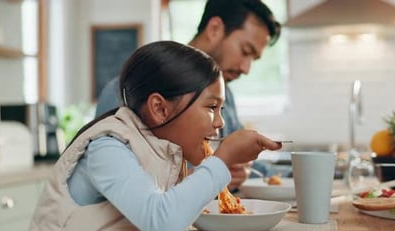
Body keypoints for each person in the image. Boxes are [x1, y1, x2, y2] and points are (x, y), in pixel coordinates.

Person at [20, 41, 282, 231]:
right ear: (159, 108)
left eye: (221, 109)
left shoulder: (163, 150)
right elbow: (161, 222)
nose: (220, 123)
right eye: (212, 107)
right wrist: (222, 160)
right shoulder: (108, 147)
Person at [95, 0, 285, 190]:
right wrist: (207, 175)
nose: (246, 68)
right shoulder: (126, 92)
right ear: (215, 29)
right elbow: (115, 179)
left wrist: (244, 168)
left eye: (254, 59)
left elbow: (242, 158)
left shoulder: (226, 95)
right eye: (245, 51)